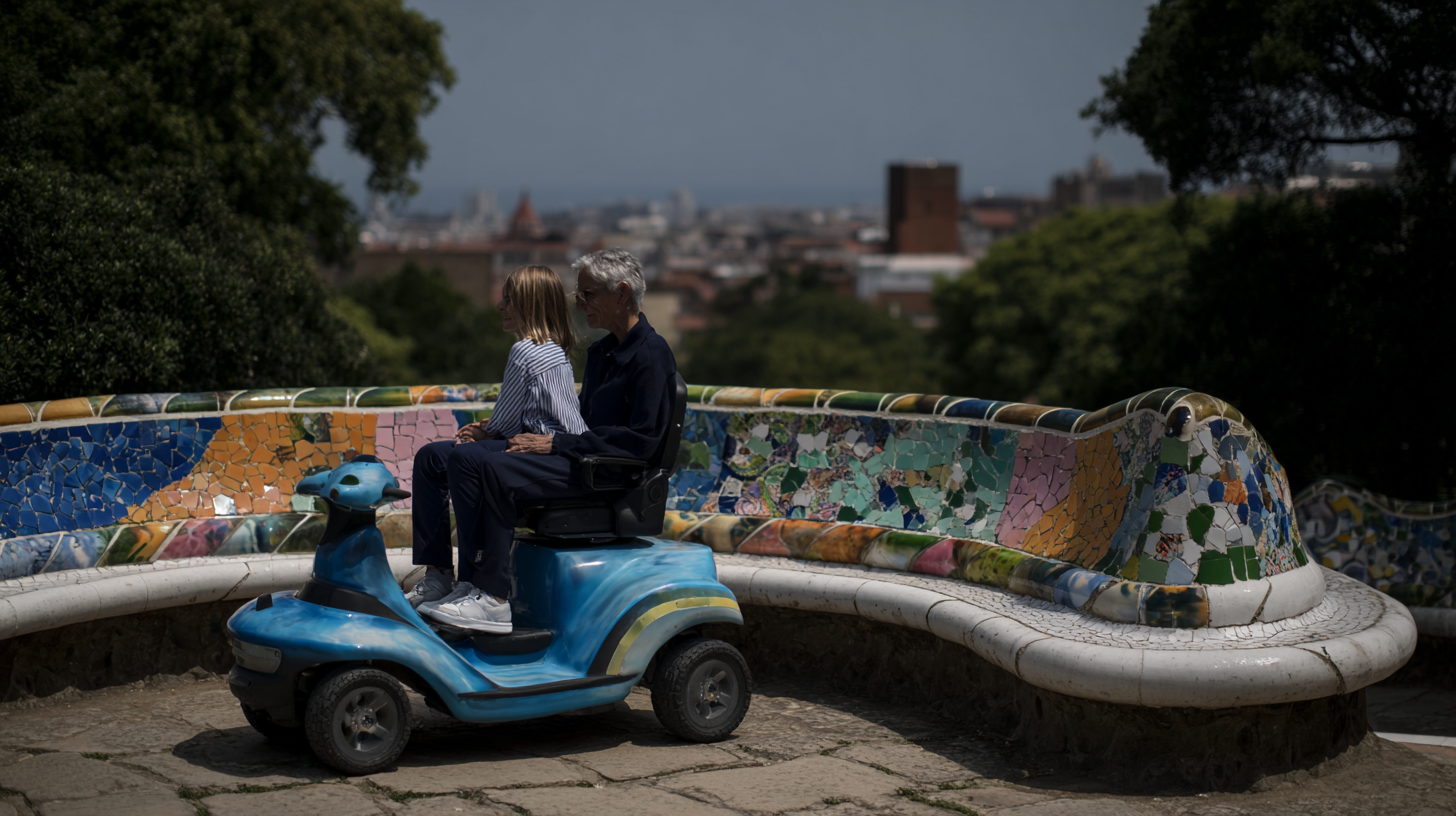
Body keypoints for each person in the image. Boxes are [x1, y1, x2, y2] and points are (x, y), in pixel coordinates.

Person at [411, 248, 679, 633]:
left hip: (606, 474)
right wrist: (517, 432)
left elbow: (641, 442)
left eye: (588, 295)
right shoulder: (603, 351)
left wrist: (553, 444)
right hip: (583, 457)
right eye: (579, 295)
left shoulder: (652, 355)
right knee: (439, 457)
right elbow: (578, 419)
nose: (580, 303)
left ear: (621, 293)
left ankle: (492, 595)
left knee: (489, 466)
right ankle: (443, 576)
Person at [407, 265, 587, 629]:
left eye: (510, 300)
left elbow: (506, 421)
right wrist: (489, 431)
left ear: (529, 304)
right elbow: (517, 416)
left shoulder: (527, 350)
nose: (500, 306)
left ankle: (469, 580)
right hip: (532, 443)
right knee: (433, 459)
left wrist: (486, 433)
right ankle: (442, 576)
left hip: (551, 451)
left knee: (463, 457)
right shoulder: (553, 350)